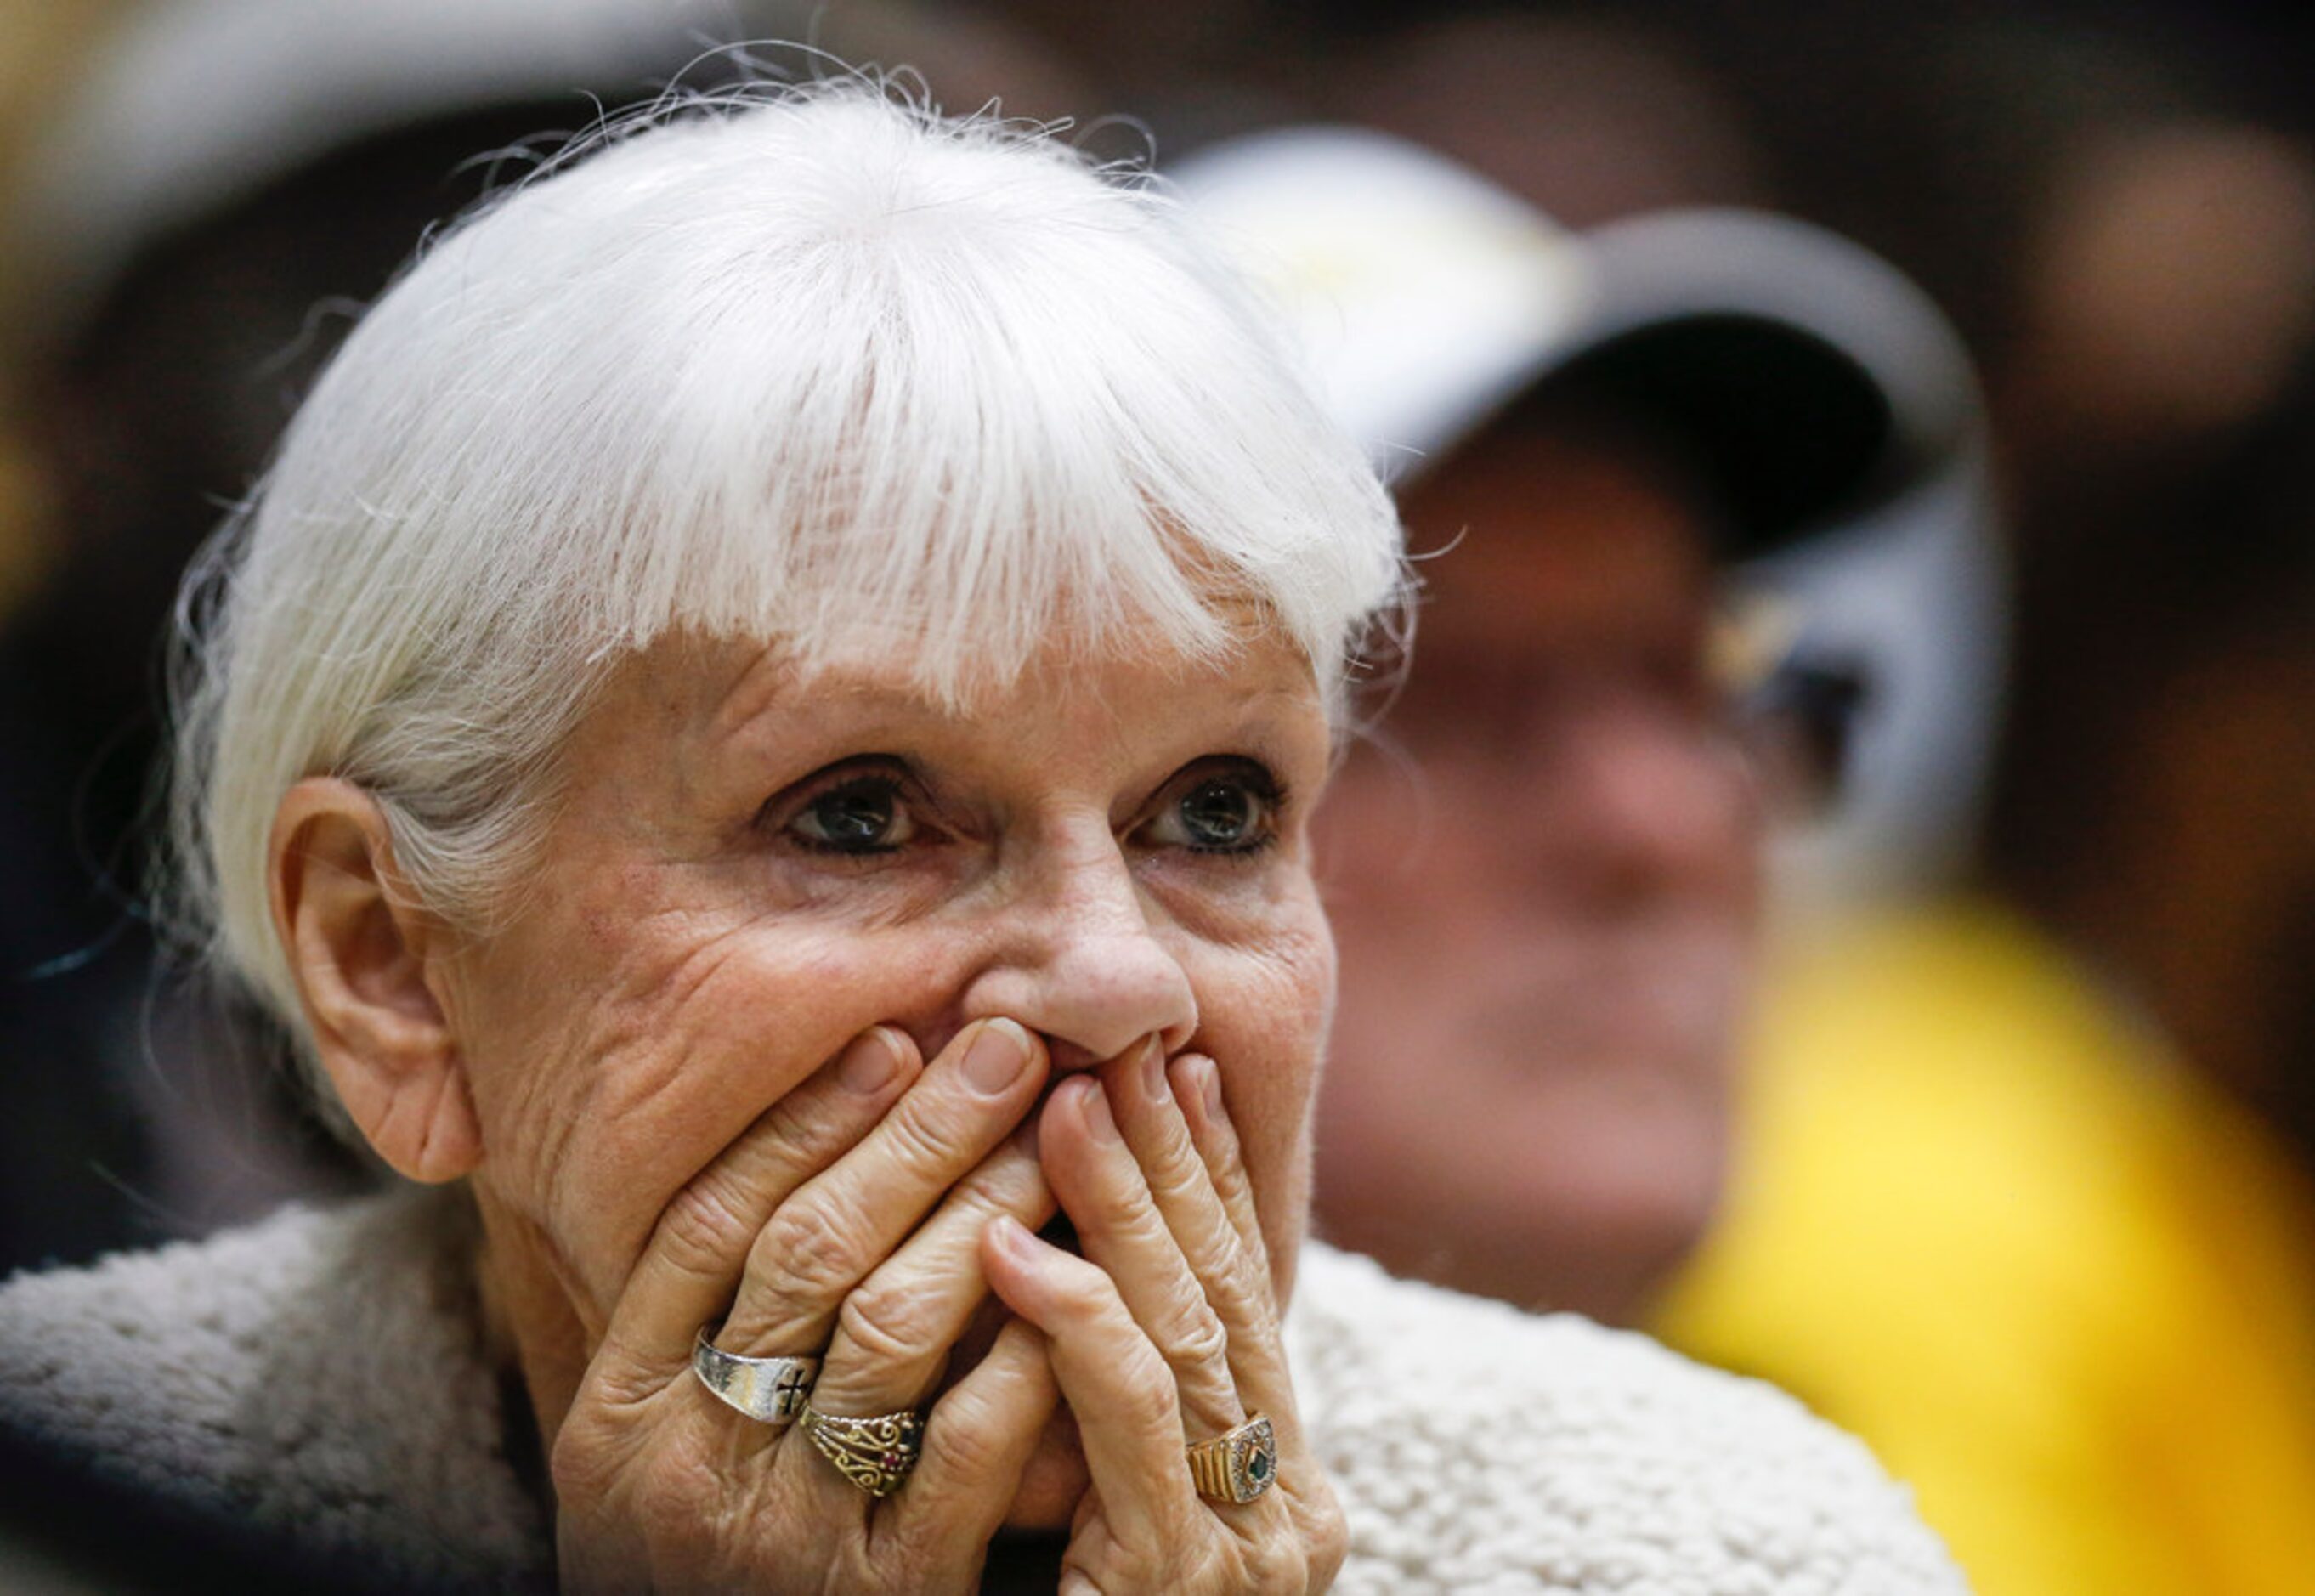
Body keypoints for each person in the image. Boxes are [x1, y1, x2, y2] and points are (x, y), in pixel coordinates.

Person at [0, 85, 1966, 1590]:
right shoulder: (77, 1488)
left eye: (1219, 810)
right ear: (391, 967)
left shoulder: (1727, 1549)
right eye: (856, 813)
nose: (1117, 977)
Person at [1175, 126, 1983, 1323]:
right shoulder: (842, 1486)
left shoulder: (1850, 1441)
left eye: (1696, 684)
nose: (1665, 824)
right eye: (1440, 699)